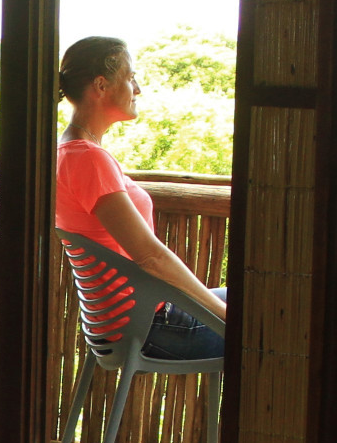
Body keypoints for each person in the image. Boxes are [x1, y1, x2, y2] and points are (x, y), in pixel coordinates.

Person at [54, 35, 227, 361]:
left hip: (125, 320)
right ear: (101, 85)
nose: (138, 88)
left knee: (262, 302)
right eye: (131, 77)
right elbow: (150, 256)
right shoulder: (88, 158)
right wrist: (221, 313)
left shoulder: (63, 152)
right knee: (271, 326)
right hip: (150, 325)